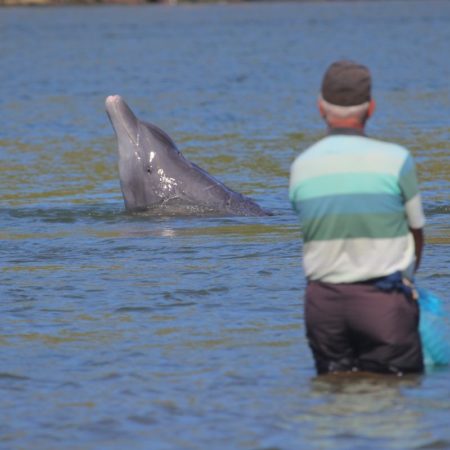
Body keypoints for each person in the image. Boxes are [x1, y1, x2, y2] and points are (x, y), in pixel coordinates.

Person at [289, 61, 426, 375]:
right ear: (372, 108)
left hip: (323, 306)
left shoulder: (302, 166)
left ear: (321, 107)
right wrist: (407, 278)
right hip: (383, 303)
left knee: (333, 397)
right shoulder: (397, 160)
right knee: (394, 400)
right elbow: (416, 231)